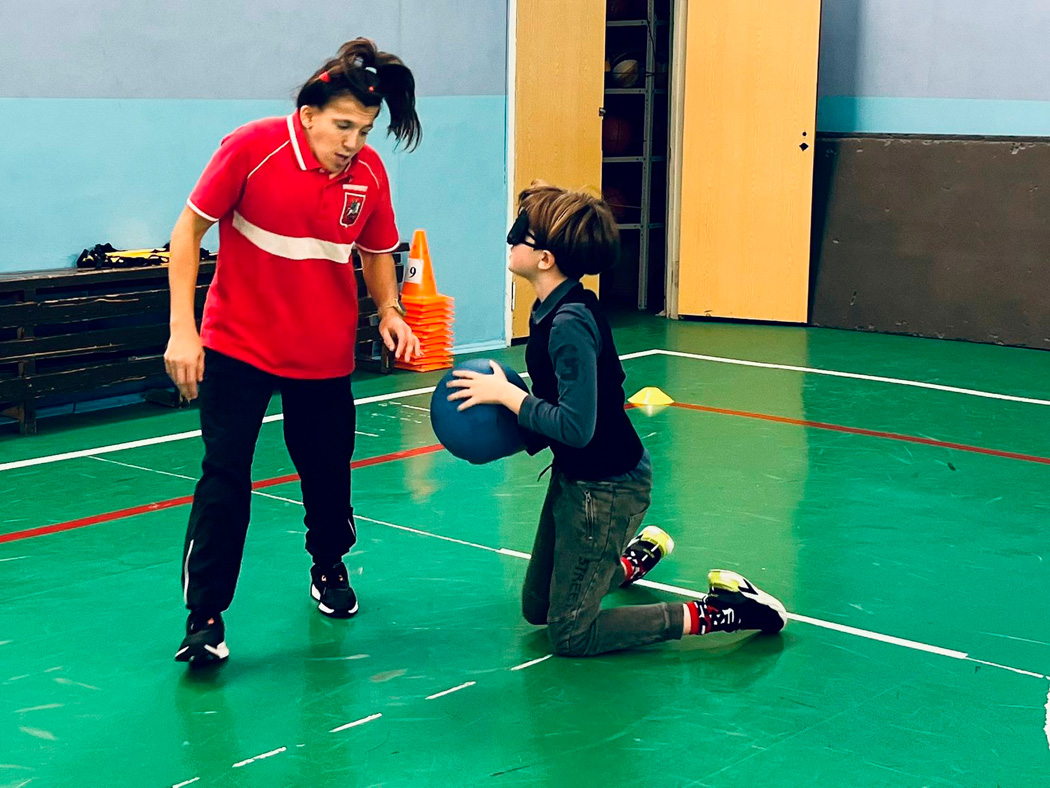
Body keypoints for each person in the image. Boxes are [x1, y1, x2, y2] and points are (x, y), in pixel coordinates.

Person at [447, 182, 787, 657]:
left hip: (606, 490)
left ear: (545, 258)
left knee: (571, 634)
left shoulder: (568, 324)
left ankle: (722, 612)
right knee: (538, 607)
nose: (509, 239)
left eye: (520, 233)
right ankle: (629, 562)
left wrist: (509, 397)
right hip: (577, 478)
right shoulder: (548, 308)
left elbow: (576, 427)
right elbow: (562, 408)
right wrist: (503, 434)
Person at [165, 38, 422, 665]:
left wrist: (390, 310)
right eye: (343, 126)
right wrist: (182, 329)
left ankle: (328, 564)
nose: (353, 142)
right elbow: (188, 231)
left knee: (327, 473)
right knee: (225, 474)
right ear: (308, 115)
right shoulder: (251, 148)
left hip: (322, 353)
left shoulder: (368, 175)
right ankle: (205, 618)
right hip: (238, 344)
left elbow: (377, 252)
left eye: (364, 130)